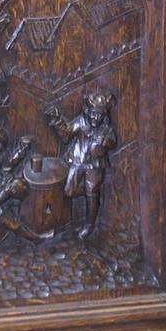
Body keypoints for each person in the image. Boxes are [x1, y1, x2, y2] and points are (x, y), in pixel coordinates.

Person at [44, 91, 117, 239]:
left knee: (92, 191)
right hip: (77, 161)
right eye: (93, 113)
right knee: (69, 191)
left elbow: (112, 141)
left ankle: (89, 225)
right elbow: (67, 134)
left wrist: (103, 144)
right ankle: (65, 220)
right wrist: (57, 119)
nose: (96, 118)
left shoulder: (105, 129)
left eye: (100, 114)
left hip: (94, 166)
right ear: (87, 111)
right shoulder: (81, 122)